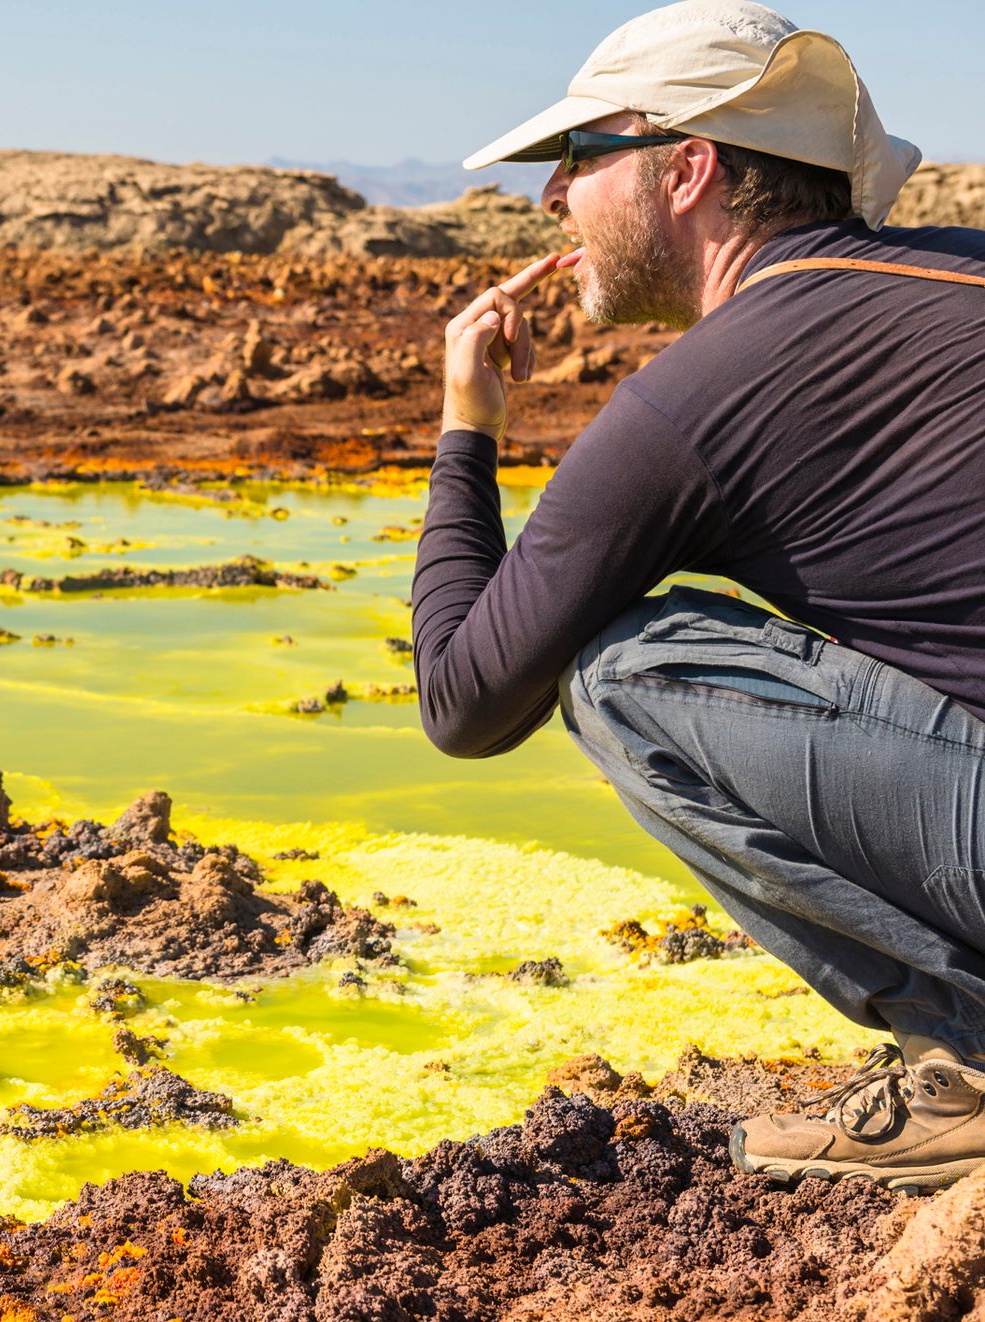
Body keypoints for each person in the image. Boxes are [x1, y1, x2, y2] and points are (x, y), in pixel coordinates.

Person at [413, 0, 985, 1192]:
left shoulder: (697, 396)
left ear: (687, 169)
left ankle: (972, 1057)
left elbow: (464, 700)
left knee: (623, 674)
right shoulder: (958, 275)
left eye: (576, 158)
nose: (547, 199)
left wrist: (468, 429)